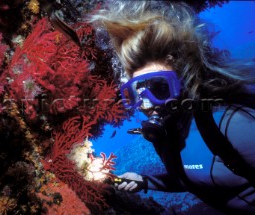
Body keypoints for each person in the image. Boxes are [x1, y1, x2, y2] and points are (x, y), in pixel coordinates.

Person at [90, 1, 255, 214]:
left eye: (159, 88)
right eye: (136, 93)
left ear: (183, 80)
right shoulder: (166, 134)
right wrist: (145, 181)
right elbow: (189, 178)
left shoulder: (233, 124)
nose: (147, 103)